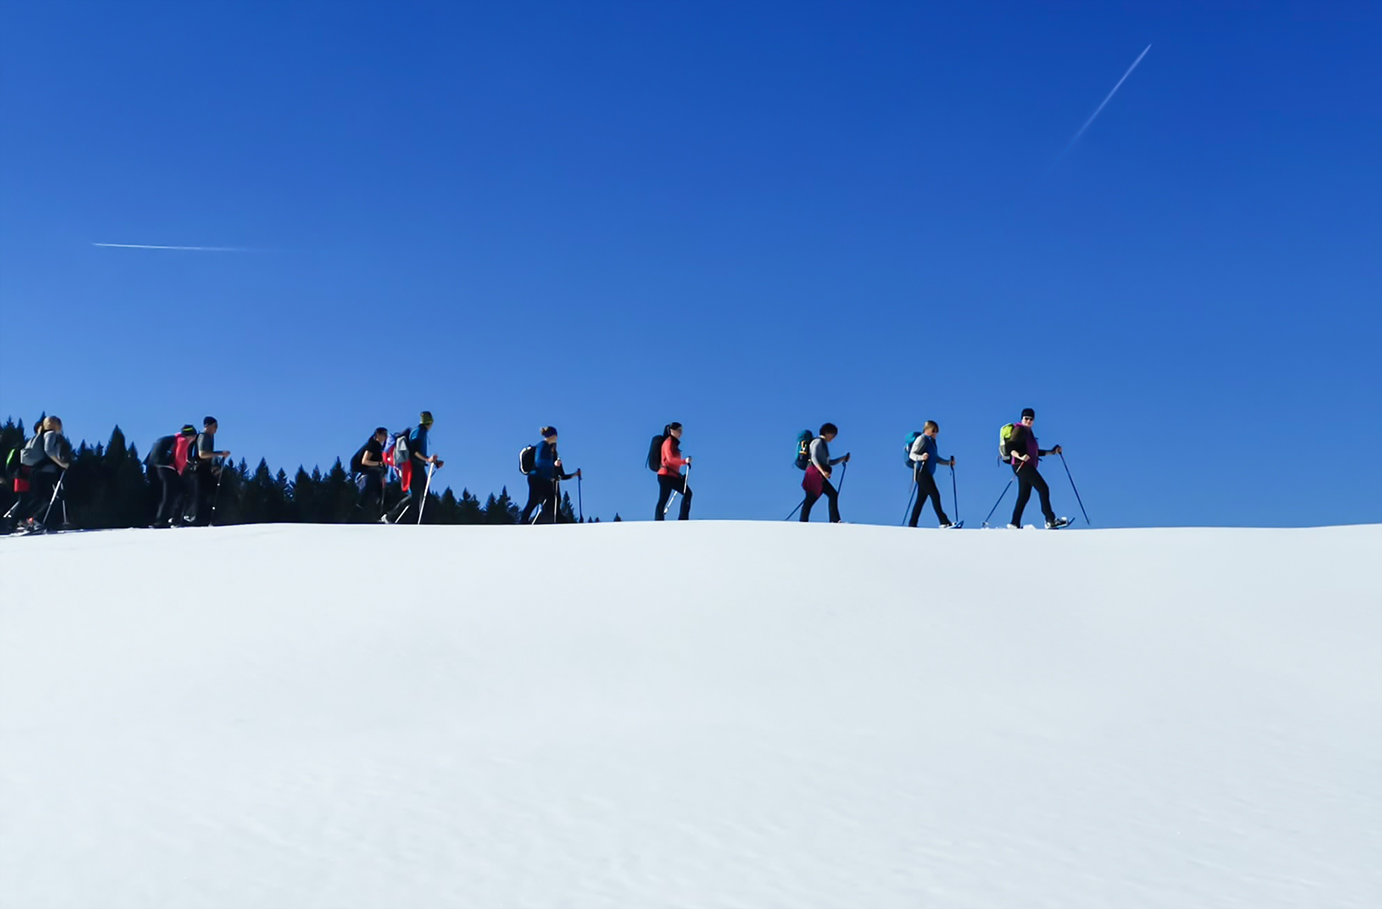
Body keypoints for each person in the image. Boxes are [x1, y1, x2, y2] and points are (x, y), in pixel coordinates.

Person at [1007, 408, 1069, 529]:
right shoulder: (1019, 429)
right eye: (1026, 418)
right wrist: (1019, 456)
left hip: (1026, 466)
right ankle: (1050, 519)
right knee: (1043, 488)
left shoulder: (1029, 433)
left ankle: (1014, 523)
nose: (1028, 421)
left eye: (1031, 419)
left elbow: (1035, 453)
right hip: (1022, 465)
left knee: (1024, 496)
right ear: (1022, 419)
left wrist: (1052, 452)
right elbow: (1010, 447)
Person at [384, 411, 443, 524]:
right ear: (430, 422)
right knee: (421, 496)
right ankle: (395, 517)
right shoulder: (419, 432)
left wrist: (433, 462)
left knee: (419, 495)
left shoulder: (420, 432)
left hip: (416, 466)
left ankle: (395, 517)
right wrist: (428, 459)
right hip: (414, 467)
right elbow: (414, 451)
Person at [19, 416, 72, 533]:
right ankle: (35, 520)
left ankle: (25, 518)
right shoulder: (50, 434)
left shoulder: (40, 435)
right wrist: (62, 464)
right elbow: (49, 451)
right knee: (47, 498)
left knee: (39, 497)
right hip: (45, 471)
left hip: (36, 471)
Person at [520, 426, 580, 524]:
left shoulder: (551, 450)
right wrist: (553, 464)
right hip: (537, 477)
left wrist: (574, 474)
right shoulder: (542, 445)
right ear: (552, 435)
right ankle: (524, 521)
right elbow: (539, 462)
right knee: (534, 500)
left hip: (544, 479)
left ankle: (551, 520)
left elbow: (561, 474)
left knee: (553, 500)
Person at [184, 416, 231, 526]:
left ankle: (202, 517)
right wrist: (220, 454)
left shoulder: (208, 436)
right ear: (208, 426)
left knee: (206, 492)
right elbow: (202, 454)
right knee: (200, 494)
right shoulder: (204, 436)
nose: (216, 429)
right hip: (199, 469)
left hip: (203, 469)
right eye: (215, 426)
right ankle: (195, 517)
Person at [908, 421, 956, 528]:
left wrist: (948, 463)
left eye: (937, 431)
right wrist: (921, 457)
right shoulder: (922, 439)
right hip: (922, 473)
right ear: (927, 430)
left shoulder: (932, 442)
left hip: (928, 474)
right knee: (935, 495)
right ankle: (944, 521)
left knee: (920, 501)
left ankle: (912, 524)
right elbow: (912, 454)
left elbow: (936, 459)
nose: (935, 433)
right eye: (933, 430)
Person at [148, 425, 198, 526]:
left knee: (174, 493)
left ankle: (167, 518)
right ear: (191, 436)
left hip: (160, 467)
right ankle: (164, 520)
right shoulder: (183, 441)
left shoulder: (176, 439)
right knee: (172, 495)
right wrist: (181, 470)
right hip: (169, 469)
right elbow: (179, 457)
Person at [801, 422, 849, 523]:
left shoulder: (823, 444)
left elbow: (828, 462)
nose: (833, 437)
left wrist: (842, 459)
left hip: (815, 473)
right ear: (827, 433)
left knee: (812, 498)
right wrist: (822, 472)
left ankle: (803, 522)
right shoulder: (818, 442)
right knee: (830, 494)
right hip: (814, 473)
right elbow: (813, 457)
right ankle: (834, 520)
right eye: (833, 434)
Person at [654, 422, 692, 521]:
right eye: (678, 430)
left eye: (681, 431)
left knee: (688, 493)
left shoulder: (673, 443)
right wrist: (684, 461)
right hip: (665, 476)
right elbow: (670, 459)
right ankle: (659, 520)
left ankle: (683, 518)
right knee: (663, 499)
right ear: (672, 431)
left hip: (673, 476)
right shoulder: (669, 442)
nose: (680, 433)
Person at [352, 427, 389, 516]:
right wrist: (379, 464)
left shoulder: (378, 446)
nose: (386, 437)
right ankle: (358, 515)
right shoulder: (373, 445)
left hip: (374, 474)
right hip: (370, 475)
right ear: (378, 434)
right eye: (384, 434)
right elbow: (365, 461)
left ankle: (372, 515)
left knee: (373, 497)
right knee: (369, 496)